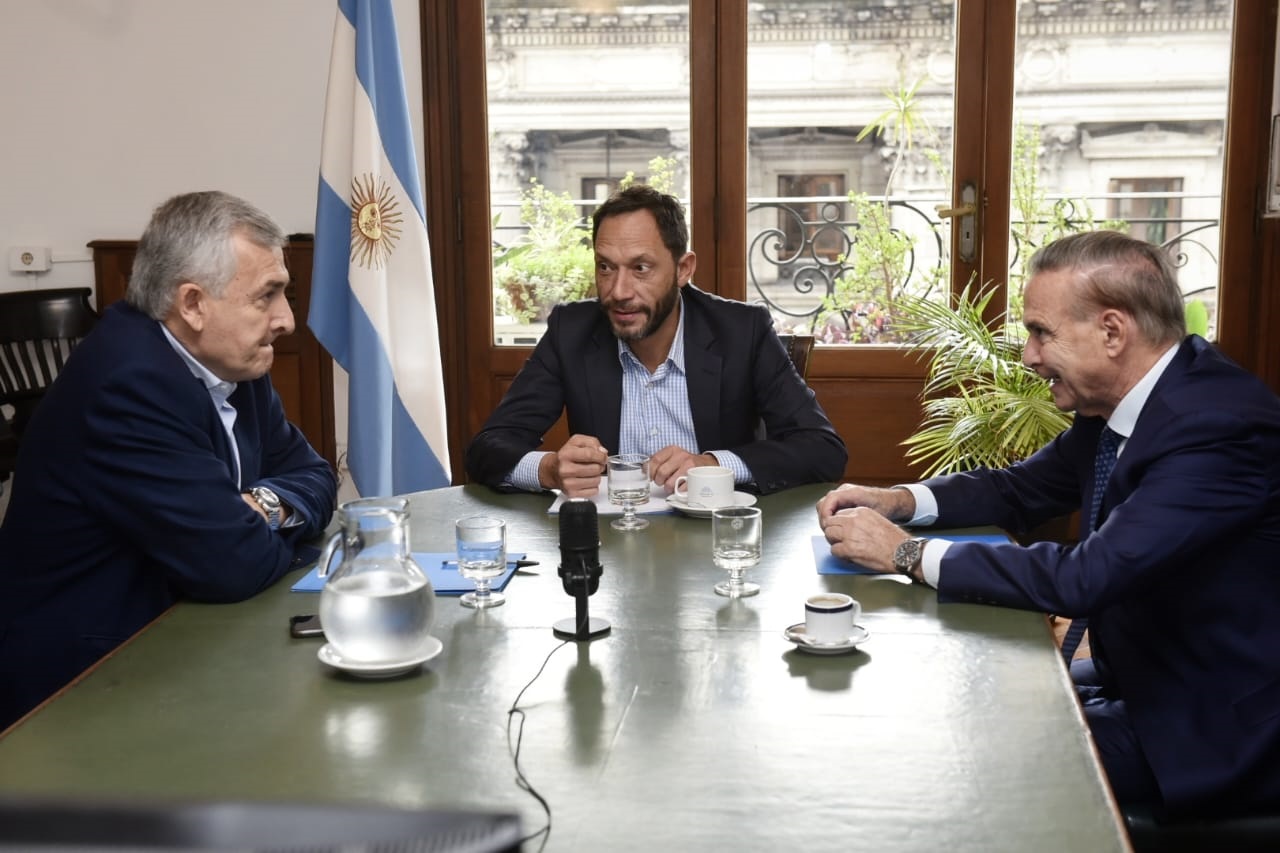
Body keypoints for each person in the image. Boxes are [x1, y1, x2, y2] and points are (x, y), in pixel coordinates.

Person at [816, 229, 1280, 818]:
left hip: (1217, 730)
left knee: (959, 757)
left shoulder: (1218, 429)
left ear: (1112, 332)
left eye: (1042, 333)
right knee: (954, 709)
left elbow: (1087, 577)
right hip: (1146, 682)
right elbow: (1017, 489)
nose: (1029, 355)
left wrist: (907, 554)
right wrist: (898, 501)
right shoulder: (1127, 401)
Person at [0, 191, 337, 729]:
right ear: (192, 304)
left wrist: (264, 505)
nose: (286, 321)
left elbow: (317, 475)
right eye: (267, 296)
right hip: (84, 690)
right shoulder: (128, 384)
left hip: (184, 642)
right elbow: (235, 564)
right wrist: (247, 525)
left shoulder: (229, 360)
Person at [465, 184, 847, 496]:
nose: (618, 291)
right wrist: (548, 469)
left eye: (641, 268)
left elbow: (822, 449)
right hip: (611, 548)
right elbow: (487, 449)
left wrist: (710, 465)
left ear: (683, 269)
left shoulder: (741, 331)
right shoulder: (572, 331)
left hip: (714, 542)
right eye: (605, 267)